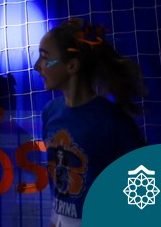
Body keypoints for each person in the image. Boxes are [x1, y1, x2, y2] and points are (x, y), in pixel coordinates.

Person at [34, 18, 146, 227]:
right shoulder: (50, 112)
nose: (36, 66)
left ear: (72, 65)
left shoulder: (111, 120)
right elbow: (58, 186)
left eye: (45, 58)